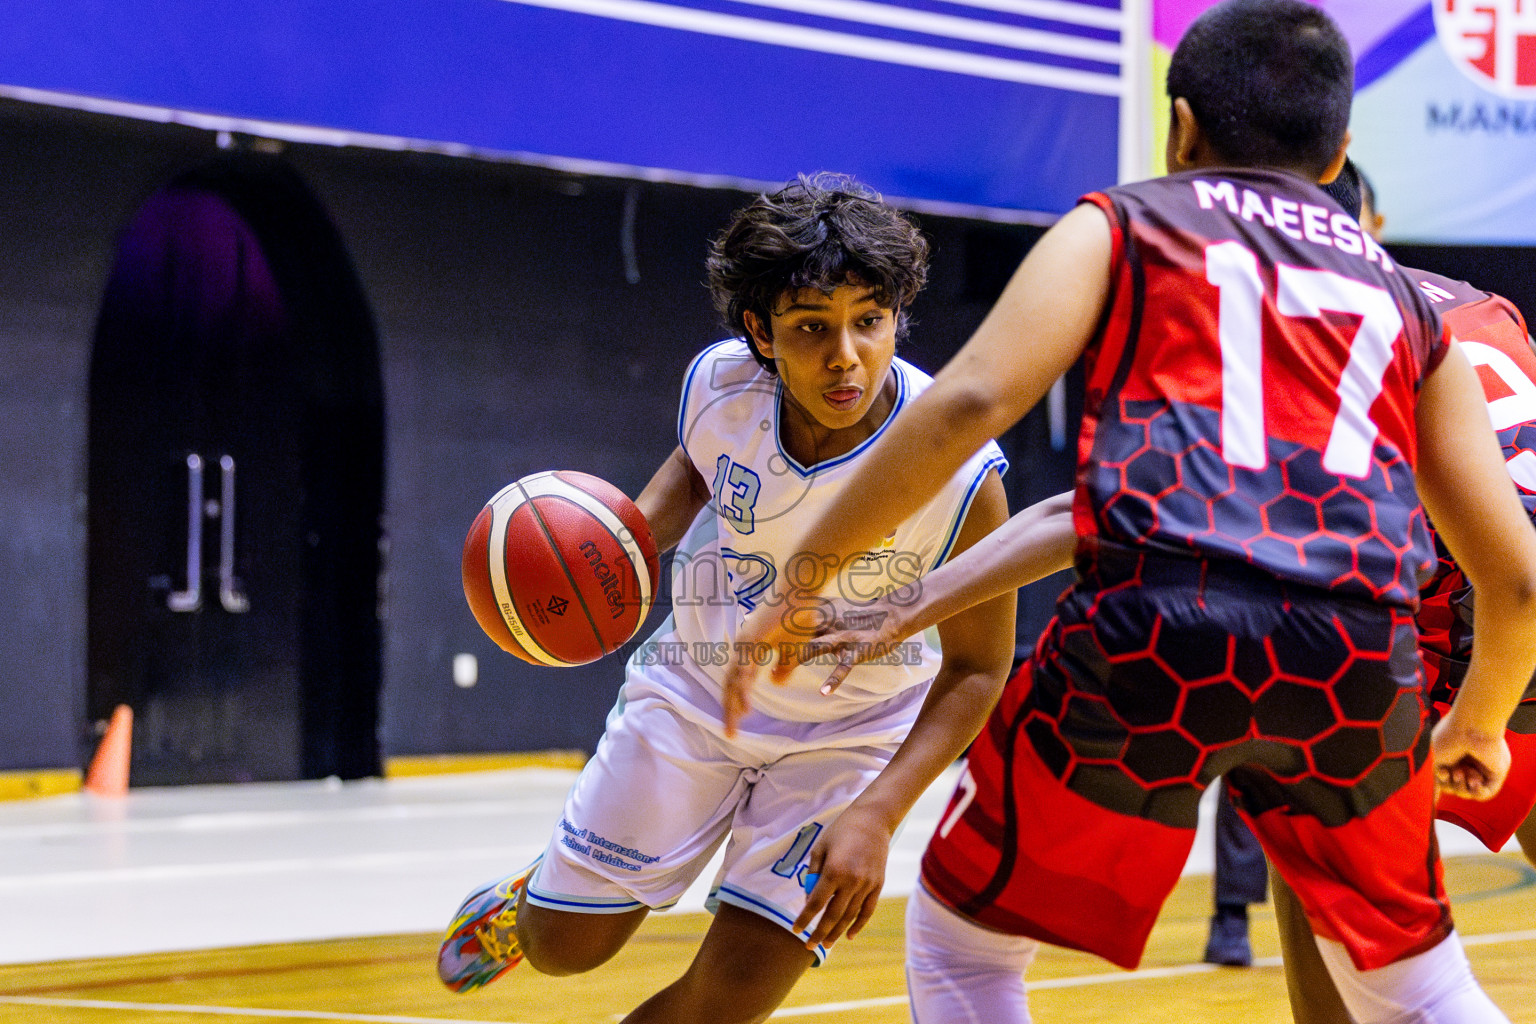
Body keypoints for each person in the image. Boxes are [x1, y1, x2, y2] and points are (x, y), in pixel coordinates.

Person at [720, 3, 1536, 1022]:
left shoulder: (1128, 222)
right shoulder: (1413, 303)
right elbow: (1519, 576)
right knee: (1414, 981)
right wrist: (1484, 720)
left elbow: (968, 403)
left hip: (1159, 631)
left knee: (960, 941)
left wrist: (806, 579)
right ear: (1340, 156)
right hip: (1361, 661)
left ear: (1179, 129)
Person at [434, 172, 1015, 1024]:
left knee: (731, 1001)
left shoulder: (963, 471)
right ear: (760, 332)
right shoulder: (721, 385)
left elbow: (977, 669)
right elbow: (696, 469)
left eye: (870, 321)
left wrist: (880, 815)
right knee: (566, 949)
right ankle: (527, 905)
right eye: (812, 328)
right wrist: (618, 556)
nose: (845, 355)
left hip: (849, 737)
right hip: (701, 690)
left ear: (898, 315)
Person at [1264, 157, 1536, 1024]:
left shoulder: (1299, 333)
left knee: (1308, 850)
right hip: (1492, 605)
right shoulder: (1477, 302)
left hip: (1464, 627)